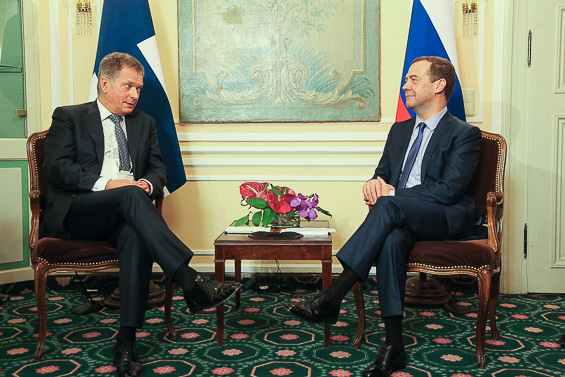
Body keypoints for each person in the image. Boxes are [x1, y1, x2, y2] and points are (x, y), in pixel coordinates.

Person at [41, 52, 241, 377]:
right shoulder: (70, 117)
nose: (134, 94)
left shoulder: (143, 123)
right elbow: (57, 169)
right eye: (128, 86)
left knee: (135, 231)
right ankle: (189, 280)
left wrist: (147, 184)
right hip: (79, 210)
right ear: (104, 83)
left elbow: (158, 168)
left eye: (139, 88)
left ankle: (126, 341)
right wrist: (109, 184)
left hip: (125, 213)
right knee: (131, 195)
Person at [287, 56, 485, 377]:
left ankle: (334, 295)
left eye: (413, 79)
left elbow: (449, 191)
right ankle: (394, 346)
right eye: (406, 80)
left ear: (438, 86)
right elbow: (382, 176)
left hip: (445, 219)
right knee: (391, 240)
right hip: (399, 217)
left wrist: (391, 196)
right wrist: (373, 184)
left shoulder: (464, 134)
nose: (405, 86)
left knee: (389, 206)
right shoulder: (400, 130)